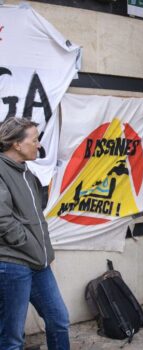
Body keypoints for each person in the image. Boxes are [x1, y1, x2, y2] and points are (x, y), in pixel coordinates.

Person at [0, 118, 70, 349]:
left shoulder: (27, 172)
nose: (38, 145)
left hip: (39, 264)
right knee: (12, 338)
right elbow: (3, 219)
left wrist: (43, 250)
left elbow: (36, 218)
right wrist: (28, 244)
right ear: (16, 144)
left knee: (59, 320)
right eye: (34, 139)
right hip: (12, 264)